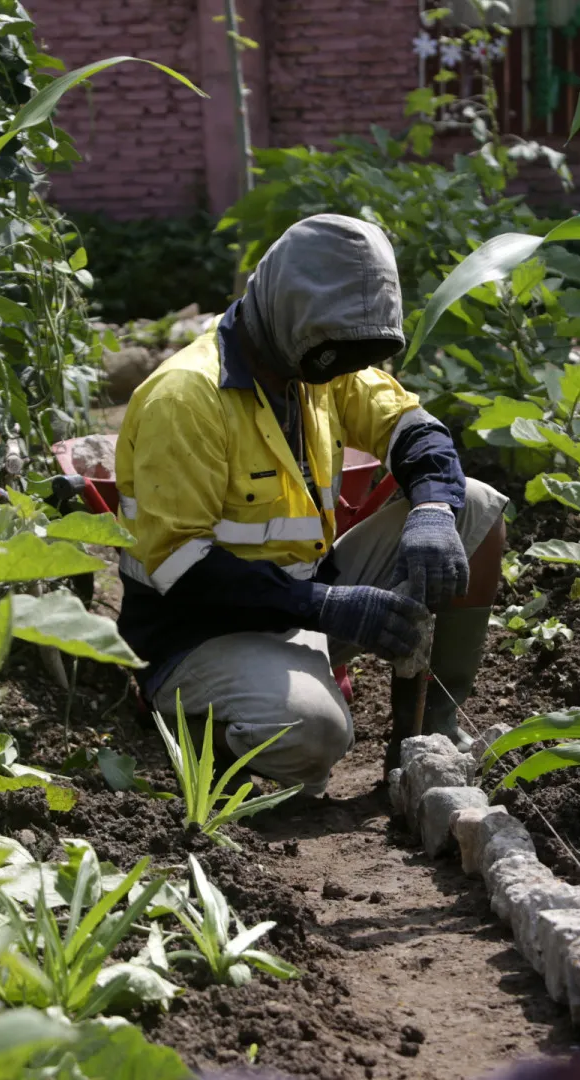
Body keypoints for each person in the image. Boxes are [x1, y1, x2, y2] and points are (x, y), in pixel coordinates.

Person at [112, 213, 508, 796]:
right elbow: (183, 571)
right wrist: (325, 607)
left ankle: (425, 740)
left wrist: (430, 508)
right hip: (198, 632)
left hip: (302, 601)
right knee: (314, 738)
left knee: (471, 507)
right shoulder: (187, 398)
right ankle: (177, 724)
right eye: (335, 352)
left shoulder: (316, 364)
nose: (346, 369)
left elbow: (414, 428)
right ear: (291, 312)